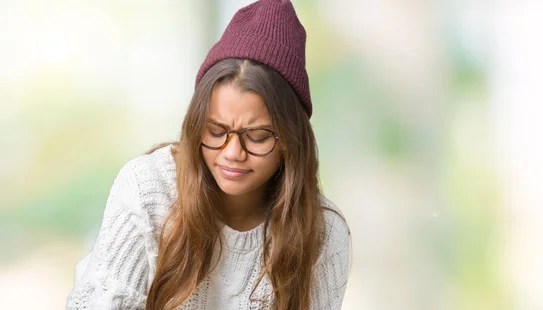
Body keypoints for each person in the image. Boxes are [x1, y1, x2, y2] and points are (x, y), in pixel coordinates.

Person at [66, 0, 350, 309]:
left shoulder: (323, 231)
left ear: (289, 140)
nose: (232, 153)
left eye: (256, 136)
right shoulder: (147, 190)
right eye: (215, 131)